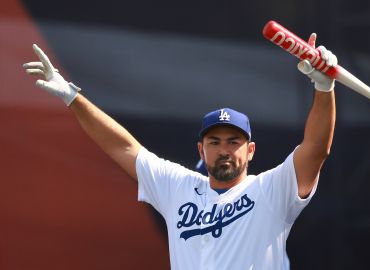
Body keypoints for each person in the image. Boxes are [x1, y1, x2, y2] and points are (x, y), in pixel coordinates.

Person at [23, 33, 337, 270]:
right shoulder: (180, 187)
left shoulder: (271, 189)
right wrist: (70, 95)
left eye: (233, 142)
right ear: (200, 148)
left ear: (251, 150)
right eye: (214, 142)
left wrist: (324, 90)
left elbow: (316, 149)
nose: (224, 150)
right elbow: (124, 146)